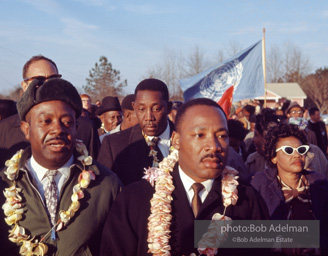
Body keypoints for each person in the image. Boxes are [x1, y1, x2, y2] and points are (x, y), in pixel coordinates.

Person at [101, 98, 269, 255]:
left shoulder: (247, 200)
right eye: (200, 135)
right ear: (176, 140)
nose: (214, 146)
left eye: (222, 136)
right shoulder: (135, 199)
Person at [0, 78, 121, 255]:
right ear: (26, 129)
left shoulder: (107, 185)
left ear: (76, 127)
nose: (58, 129)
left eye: (67, 122)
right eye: (45, 121)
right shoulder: (3, 185)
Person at [0, 55, 101, 168]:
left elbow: (95, 173)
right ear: (24, 86)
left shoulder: (85, 127)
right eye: (38, 80)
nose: (47, 84)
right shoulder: (4, 130)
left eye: (53, 79)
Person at [251, 123, 328, 254]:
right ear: (274, 157)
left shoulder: (319, 183)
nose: (297, 155)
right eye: (288, 150)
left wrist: (318, 247)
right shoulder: (258, 185)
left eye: (301, 150)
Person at [97, 78, 174, 185]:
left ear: (168, 108)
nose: (149, 117)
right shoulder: (114, 145)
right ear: (134, 107)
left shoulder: (186, 140)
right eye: (142, 109)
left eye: (156, 109)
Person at [245, 108, 280, 176]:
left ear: (267, 137)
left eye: (256, 135)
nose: (253, 139)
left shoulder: (289, 160)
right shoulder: (252, 160)